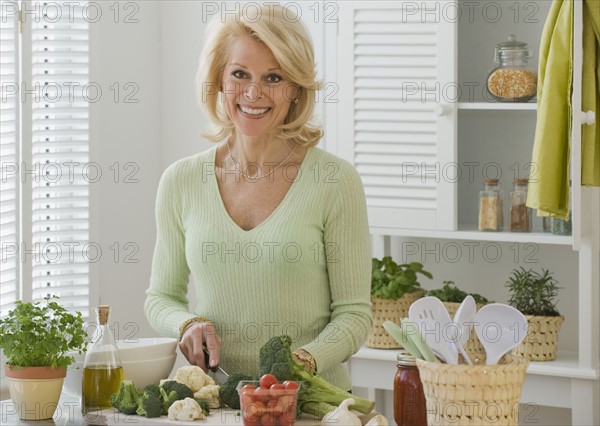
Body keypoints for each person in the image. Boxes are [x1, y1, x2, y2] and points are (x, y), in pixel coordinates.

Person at [144, 3, 372, 391]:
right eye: (239, 74)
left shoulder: (335, 180)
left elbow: (353, 315)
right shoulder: (180, 181)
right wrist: (187, 324)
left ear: (296, 87)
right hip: (217, 400)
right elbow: (160, 297)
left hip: (313, 406)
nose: (253, 92)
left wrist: (301, 363)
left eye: (273, 77)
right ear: (218, 79)